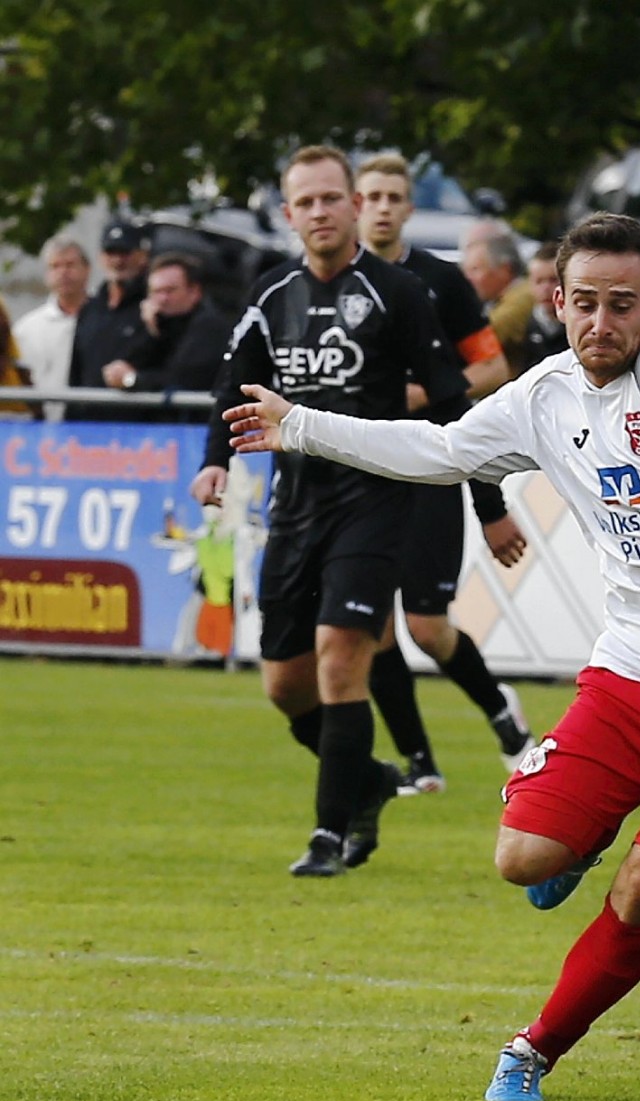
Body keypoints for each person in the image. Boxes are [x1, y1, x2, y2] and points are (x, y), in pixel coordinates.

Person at [225, 212, 640, 1101]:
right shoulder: (544, 395)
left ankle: (532, 1049)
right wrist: (300, 425)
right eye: (585, 303)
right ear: (555, 299)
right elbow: (440, 450)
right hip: (629, 673)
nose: (601, 323)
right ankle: (584, 833)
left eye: (623, 304)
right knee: (521, 859)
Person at [190, 144, 473, 878]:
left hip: (375, 502)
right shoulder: (269, 293)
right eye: (305, 202)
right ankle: (370, 778)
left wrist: (490, 497)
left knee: (341, 656)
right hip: (295, 504)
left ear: (353, 204)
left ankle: (327, 833)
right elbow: (233, 383)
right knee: (285, 686)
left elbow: (450, 397)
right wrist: (213, 460)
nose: (320, 212)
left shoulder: (396, 292)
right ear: (289, 215)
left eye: (330, 198)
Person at [354, 152, 533, 793]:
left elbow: (490, 371)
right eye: (370, 195)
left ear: (407, 207)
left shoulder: (441, 282)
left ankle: (502, 716)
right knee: (370, 626)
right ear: (355, 204)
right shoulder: (332, 286)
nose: (381, 206)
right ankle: (420, 761)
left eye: (393, 196)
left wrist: (421, 393)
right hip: (360, 477)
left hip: (428, 467)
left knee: (427, 627)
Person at [101, 252, 232, 413]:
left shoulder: (209, 326)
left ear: (194, 292)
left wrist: (132, 380)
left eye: (170, 291)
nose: (162, 299)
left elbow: (183, 379)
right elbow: (124, 364)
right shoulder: (159, 323)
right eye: (156, 292)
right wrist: (151, 332)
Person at [68, 219, 151, 418]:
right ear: (101, 257)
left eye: (125, 253)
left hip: (138, 429)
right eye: (111, 253)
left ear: (141, 256)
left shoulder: (153, 307)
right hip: (88, 428)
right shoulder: (90, 308)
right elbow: (76, 373)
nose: (118, 260)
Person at [13, 234, 91, 421]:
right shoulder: (27, 329)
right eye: (55, 266)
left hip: (94, 428)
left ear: (87, 269)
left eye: (70, 265)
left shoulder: (105, 318)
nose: (63, 272)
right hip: (43, 429)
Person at [460, 225, 535, 376]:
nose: (467, 278)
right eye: (466, 271)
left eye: (475, 270)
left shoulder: (522, 297)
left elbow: (483, 336)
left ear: (505, 269)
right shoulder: (504, 298)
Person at [523, 241, 568, 367]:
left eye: (553, 280)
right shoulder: (529, 324)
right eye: (539, 281)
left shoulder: (576, 322)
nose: (546, 289)